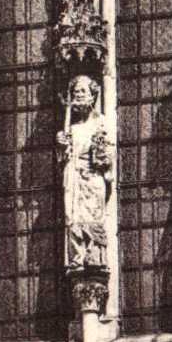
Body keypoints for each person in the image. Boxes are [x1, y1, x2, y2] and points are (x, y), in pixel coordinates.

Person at [56, 75, 113, 270]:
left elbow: (108, 154)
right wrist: (62, 146)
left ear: (92, 95)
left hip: (93, 178)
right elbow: (63, 159)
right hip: (74, 178)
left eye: (83, 91)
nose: (79, 95)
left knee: (92, 219)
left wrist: (102, 154)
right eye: (75, 92)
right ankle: (77, 256)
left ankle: (94, 256)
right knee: (74, 220)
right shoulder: (70, 128)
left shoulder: (101, 123)